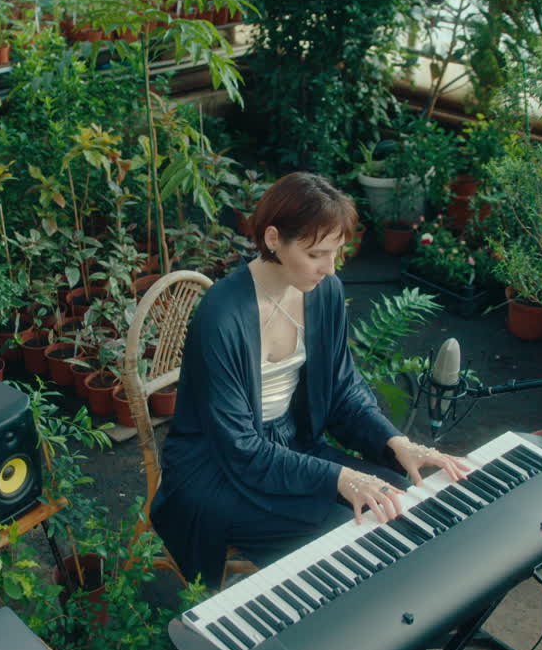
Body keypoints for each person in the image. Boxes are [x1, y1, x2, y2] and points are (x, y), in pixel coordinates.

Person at [150, 171, 470, 588]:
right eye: (317, 254)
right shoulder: (221, 317)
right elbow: (240, 449)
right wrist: (341, 478)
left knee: (401, 501)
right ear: (272, 240)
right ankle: (331, 643)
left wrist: (396, 443)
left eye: (335, 252)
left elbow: (342, 392)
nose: (329, 268)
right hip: (217, 469)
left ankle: (397, 638)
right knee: (350, 535)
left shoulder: (324, 292)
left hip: (289, 447)